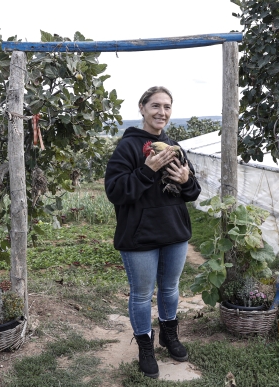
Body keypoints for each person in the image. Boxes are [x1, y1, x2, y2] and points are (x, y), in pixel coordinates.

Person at [104, 86, 201, 379]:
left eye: (167, 107)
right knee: (143, 294)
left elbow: (193, 192)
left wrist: (186, 179)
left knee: (170, 288)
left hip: (174, 231)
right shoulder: (128, 147)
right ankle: (145, 347)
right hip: (139, 236)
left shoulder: (174, 147)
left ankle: (169, 336)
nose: (162, 112)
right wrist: (146, 170)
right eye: (156, 106)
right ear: (142, 108)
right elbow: (116, 191)